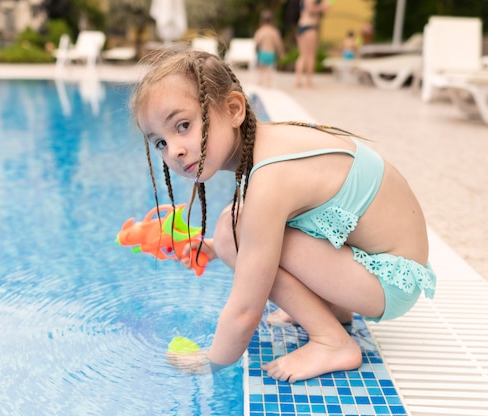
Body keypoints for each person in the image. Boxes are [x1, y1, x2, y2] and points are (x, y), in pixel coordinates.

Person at [130, 47, 436, 383]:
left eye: (183, 125)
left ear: (233, 109)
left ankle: (332, 342)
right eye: (159, 142)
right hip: (377, 264)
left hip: (391, 282)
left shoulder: (271, 176)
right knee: (234, 229)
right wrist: (217, 247)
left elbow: (246, 309)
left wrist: (211, 361)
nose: (173, 149)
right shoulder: (268, 143)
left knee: (238, 232)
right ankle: (336, 310)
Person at [294, 0, 332, 87]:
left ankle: (298, 80)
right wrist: (324, 7)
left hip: (301, 26)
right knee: (311, 55)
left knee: (303, 55)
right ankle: (308, 81)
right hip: (310, 27)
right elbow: (311, 9)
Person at [253, 9, 285, 87]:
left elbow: (256, 42)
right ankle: (268, 82)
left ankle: (260, 80)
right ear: (272, 21)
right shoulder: (274, 31)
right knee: (269, 69)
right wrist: (281, 52)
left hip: (262, 53)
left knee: (260, 67)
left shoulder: (260, 31)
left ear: (261, 21)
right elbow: (278, 43)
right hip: (271, 54)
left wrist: (255, 49)